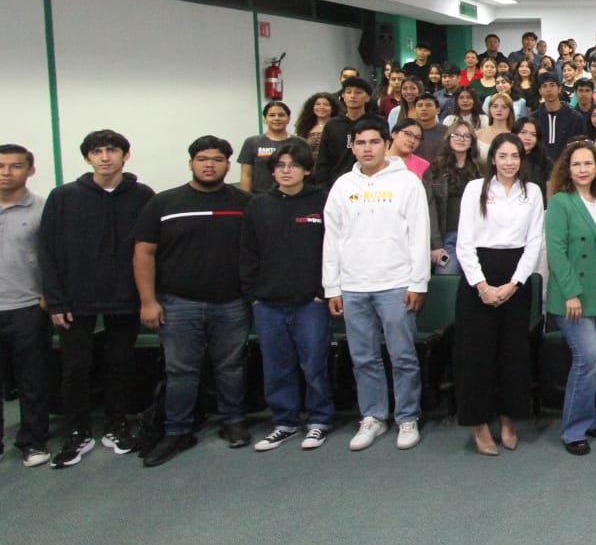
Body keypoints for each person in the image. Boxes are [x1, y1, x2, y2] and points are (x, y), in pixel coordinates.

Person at [133, 136, 253, 467]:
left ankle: (234, 422)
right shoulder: (164, 203)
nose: (209, 164)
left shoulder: (245, 202)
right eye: (202, 158)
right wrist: (148, 300)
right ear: (190, 163)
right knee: (180, 371)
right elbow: (144, 252)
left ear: (229, 164)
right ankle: (177, 431)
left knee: (230, 367)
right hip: (177, 303)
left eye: (217, 159)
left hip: (231, 303)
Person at [39, 130, 155, 467]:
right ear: (88, 157)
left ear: (125, 156)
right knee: (75, 367)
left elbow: (150, 250)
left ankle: (117, 425)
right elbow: (48, 251)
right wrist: (57, 300)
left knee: (120, 364)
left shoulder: (143, 196)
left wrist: (146, 297)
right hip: (76, 300)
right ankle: (78, 430)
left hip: (124, 296)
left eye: (111, 150)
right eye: (96, 151)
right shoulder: (63, 197)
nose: (104, 157)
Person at [323, 116, 432, 453]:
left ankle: (406, 416)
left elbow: (419, 234)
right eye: (360, 143)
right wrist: (333, 287)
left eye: (373, 142)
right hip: (354, 286)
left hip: (396, 284)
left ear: (386, 144)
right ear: (352, 147)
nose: (367, 149)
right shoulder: (343, 185)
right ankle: (372, 416)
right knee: (363, 357)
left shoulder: (407, 183)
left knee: (402, 355)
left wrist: (418, 283)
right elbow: (332, 238)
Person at [239, 141, 334, 452]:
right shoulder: (257, 205)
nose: (286, 170)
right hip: (268, 304)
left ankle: (319, 420)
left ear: (307, 169)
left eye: (293, 165)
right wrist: (253, 296)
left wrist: (323, 292)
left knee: (314, 365)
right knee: (277, 367)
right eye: (280, 166)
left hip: (311, 303)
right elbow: (247, 254)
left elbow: (336, 249)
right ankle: (285, 422)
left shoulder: (323, 201)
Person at [454, 132, 544, 456]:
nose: (509, 163)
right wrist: (481, 285)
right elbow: (464, 242)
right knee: (477, 355)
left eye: (515, 156)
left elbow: (534, 242)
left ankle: (508, 419)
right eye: (503, 156)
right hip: (478, 274)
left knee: (513, 354)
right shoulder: (474, 189)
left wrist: (514, 283)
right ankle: (478, 424)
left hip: (515, 279)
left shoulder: (531, 192)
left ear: (522, 160)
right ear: (492, 158)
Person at [544, 140, 596, 456]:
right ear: (567, 168)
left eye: (588, 163)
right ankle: (573, 428)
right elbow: (556, 253)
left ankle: (588, 419)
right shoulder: (561, 202)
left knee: (593, 357)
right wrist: (572, 293)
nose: (583, 169)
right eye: (576, 164)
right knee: (587, 357)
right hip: (572, 293)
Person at [0, 145, 51, 467]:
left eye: (15, 166)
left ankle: (33, 442)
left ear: (30, 171)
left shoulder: (43, 210)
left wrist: (51, 295)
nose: (6, 172)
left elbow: (54, 258)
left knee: (32, 380)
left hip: (28, 306)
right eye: (1, 166)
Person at [425, 122, 484, 275]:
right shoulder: (435, 170)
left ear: (472, 141)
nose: (461, 139)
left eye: (466, 136)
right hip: (448, 238)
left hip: (477, 237)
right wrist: (435, 245)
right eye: (456, 134)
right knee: (446, 274)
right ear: (448, 138)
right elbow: (429, 208)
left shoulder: (482, 170)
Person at [317, 76, 380, 187]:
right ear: (343, 96)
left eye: (358, 92)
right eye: (348, 92)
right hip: (337, 184)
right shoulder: (332, 124)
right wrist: (323, 188)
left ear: (368, 98)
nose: (352, 96)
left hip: (371, 182)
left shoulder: (378, 122)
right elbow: (323, 160)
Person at [239, 101, 302, 193]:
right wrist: (245, 198)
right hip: (260, 197)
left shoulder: (300, 143)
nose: (277, 118)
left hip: (293, 196)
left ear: (288, 119)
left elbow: (306, 172)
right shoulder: (252, 142)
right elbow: (246, 174)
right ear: (265, 119)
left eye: (281, 115)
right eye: (272, 115)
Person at [530, 71, 588, 163]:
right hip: (539, 169)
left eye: (552, 85)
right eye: (544, 86)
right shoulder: (532, 119)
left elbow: (582, 146)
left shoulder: (575, 118)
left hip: (566, 169)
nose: (549, 90)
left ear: (559, 88)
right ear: (540, 91)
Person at [413, 94, 446, 161]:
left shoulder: (447, 132)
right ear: (415, 110)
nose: (424, 109)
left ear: (438, 110)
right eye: (420, 105)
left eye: (428, 105)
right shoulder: (407, 132)